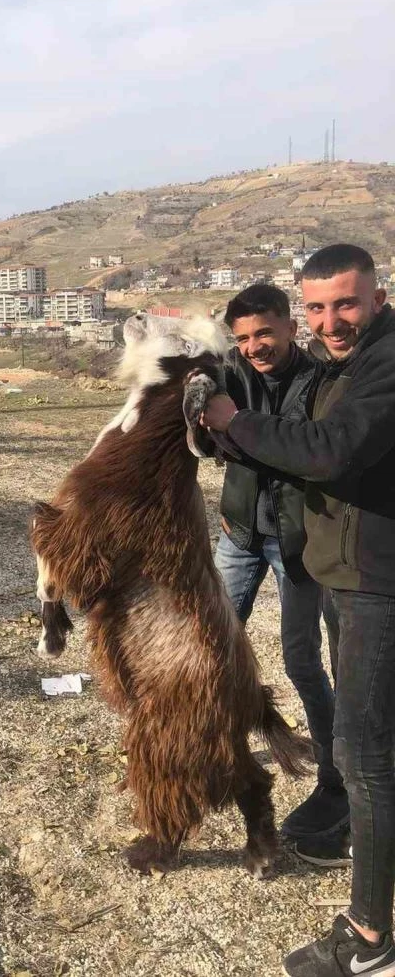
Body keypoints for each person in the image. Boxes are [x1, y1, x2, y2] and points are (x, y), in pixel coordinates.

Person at [202, 244, 395, 977]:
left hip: (379, 579)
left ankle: (370, 938)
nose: (331, 319)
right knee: (368, 745)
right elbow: (295, 454)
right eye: (318, 306)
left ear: (376, 294)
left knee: (364, 752)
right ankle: (366, 843)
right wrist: (216, 427)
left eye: (344, 303)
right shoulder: (346, 363)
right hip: (346, 570)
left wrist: (233, 418)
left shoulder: (382, 362)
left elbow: (330, 450)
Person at [212, 284, 347, 842]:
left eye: (264, 332)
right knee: (208, 646)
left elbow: (308, 455)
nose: (254, 346)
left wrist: (240, 433)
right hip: (240, 533)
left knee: (301, 659)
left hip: (296, 543)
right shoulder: (230, 373)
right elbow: (210, 441)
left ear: (291, 326)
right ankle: (212, 752)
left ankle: (335, 773)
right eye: (243, 338)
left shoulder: (320, 381)